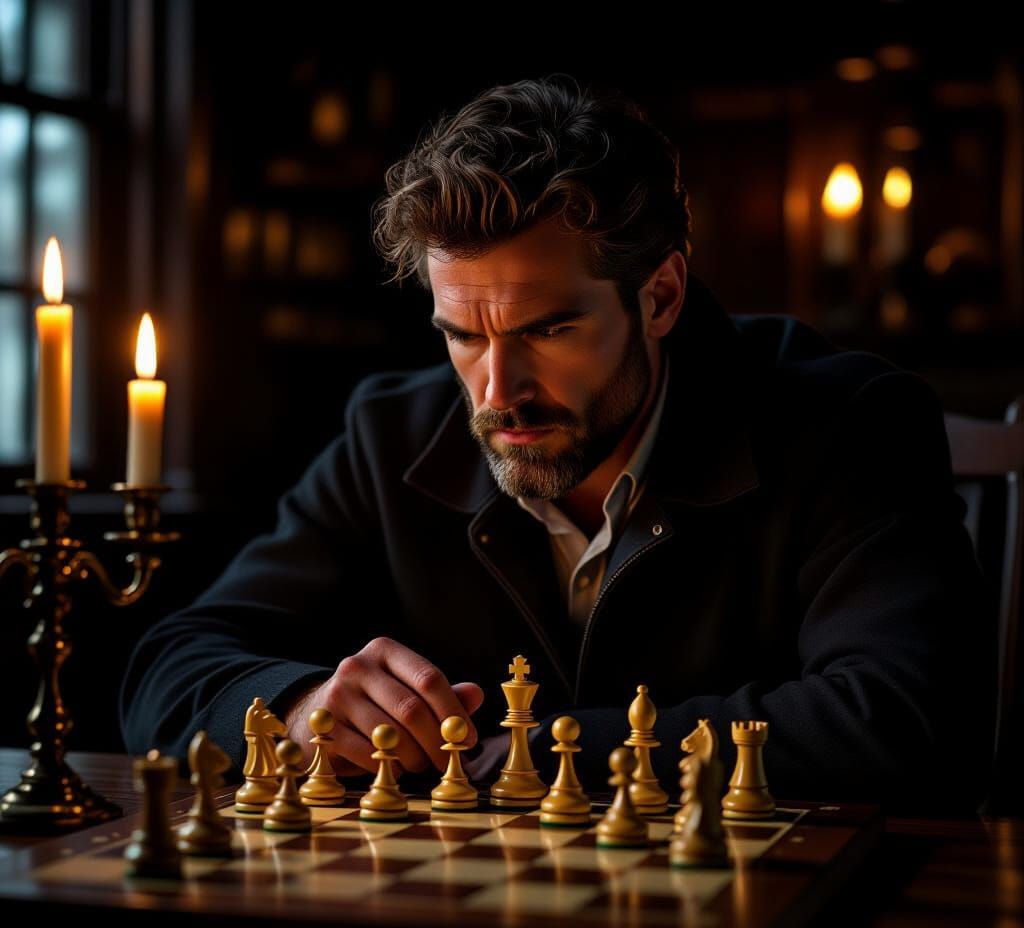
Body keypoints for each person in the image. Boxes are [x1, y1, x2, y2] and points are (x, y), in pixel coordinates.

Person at [120, 73, 996, 814]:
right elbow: (170, 666)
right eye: (463, 335)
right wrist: (301, 706)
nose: (497, 392)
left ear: (659, 297)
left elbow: (903, 718)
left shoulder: (851, 423)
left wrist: (536, 754)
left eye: (548, 329)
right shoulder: (390, 435)